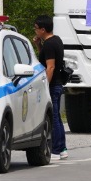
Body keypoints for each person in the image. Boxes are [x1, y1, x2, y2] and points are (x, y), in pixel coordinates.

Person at [34, 15, 68, 161]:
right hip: (58, 83)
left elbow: (50, 67)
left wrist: (45, 86)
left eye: (36, 28)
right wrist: (38, 45)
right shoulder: (56, 40)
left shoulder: (49, 44)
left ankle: (56, 149)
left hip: (53, 84)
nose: (34, 31)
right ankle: (62, 149)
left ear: (43, 29)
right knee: (57, 117)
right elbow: (46, 56)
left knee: (53, 118)